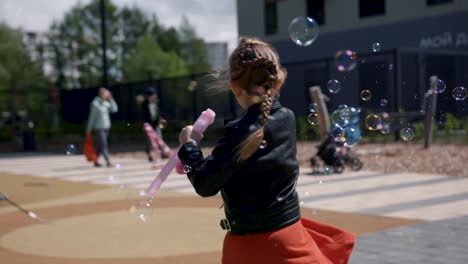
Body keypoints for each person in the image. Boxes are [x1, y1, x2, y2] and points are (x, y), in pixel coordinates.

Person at [177, 38, 355, 264]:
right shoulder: (288, 118)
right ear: (276, 80)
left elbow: (204, 184)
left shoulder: (239, 131)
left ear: (234, 86)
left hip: (250, 247)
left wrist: (189, 146)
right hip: (290, 237)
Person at [86, 87, 118, 167]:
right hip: (99, 128)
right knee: (104, 145)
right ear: (101, 94)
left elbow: (115, 109)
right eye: (106, 94)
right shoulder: (95, 103)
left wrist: (111, 99)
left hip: (107, 127)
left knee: (101, 146)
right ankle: (108, 161)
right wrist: (88, 129)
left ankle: (96, 160)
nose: (107, 95)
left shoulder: (106, 103)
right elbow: (92, 117)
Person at [141, 86, 165, 161]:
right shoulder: (144, 104)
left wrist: (160, 120)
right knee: (149, 140)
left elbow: (158, 113)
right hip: (148, 124)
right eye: (154, 94)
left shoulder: (156, 102)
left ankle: (162, 153)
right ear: (150, 95)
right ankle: (149, 154)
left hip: (156, 123)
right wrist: (145, 124)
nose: (155, 95)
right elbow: (144, 115)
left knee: (159, 138)